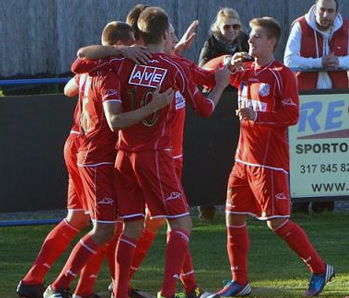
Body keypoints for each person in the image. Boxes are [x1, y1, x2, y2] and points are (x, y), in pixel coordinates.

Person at [71, 6, 230, 298]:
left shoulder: (124, 63)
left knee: (131, 228)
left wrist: (118, 53)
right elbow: (205, 108)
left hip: (123, 156)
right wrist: (220, 86)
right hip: (153, 155)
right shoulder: (174, 67)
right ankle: (169, 292)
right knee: (181, 224)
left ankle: (117, 292)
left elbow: (79, 63)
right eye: (172, 32)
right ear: (167, 33)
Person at [206, 17, 334, 297]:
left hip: (269, 164)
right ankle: (239, 281)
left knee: (277, 222)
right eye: (250, 36)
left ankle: (319, 268)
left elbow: (291, 115)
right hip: (242, 162)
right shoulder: (246, 70)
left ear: (272, 42)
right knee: (233, 218)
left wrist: (257, 115)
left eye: (255, 37)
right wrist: (228, 61)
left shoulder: (282, 74)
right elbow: (206, 72)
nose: (249, 40)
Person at [284, 0, 349, 213]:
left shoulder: (345, 28)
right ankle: (300, 202)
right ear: (315, 9)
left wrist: (338, 62)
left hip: (336, 99)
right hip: (305, 99)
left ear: (336, 12)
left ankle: (324, 203)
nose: (325, 15)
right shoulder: (300, 26)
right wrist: (319, 62)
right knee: (303, 149)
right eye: (322, 10)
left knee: (330, 150)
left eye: (330, 11)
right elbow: (289, 60)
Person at [197, 7, 249, 222]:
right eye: (226, 26)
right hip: (217, 104)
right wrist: (227, 64)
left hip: (239, 102)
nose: (231, 30)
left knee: (238, 155)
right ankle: (206, 206)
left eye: (235, 26)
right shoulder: (210, 45)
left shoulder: (245, 41)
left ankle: (241, 205)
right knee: (211, 155)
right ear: (218, 28)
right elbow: (202, 74)